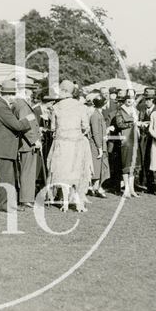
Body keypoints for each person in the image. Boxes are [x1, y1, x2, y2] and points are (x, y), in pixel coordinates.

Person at [0, 80, 35, 212]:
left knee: (8, 178)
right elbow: (17, 125)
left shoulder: (0, 106)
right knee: (6, 178)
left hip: (4, 148)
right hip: (2, 149)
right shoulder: (2, 107)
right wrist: (29, 119)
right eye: (14, 94)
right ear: (8, 95)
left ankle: (9, 204)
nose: (15, 98)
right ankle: (3, 205)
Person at [47, 80, 92, 212]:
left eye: (60, 90)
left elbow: (53, 128)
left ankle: (65, 203)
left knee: (62, 172)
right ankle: (78, 203)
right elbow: (85, 126)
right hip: (77, 144)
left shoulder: (56, 107)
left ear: (65, 91)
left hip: (61, 144)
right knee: (77, 172)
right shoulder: (81, 106)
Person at [14, 86, 42, 208]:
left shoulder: (20, 104)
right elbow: (26, 125)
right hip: (27, 144)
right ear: (24, 92)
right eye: (30, 91)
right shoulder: (23, 106)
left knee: (26, 170)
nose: (31, 95)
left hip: (25, 142)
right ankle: (26, 198)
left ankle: (26, 197)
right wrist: (35, 140)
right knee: (27, 171)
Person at [114, 89, 144, 197]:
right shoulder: (120, 111)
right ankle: (126, 188)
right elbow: (120, 125)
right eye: (127, 99)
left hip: (135, 139)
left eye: (131, 99)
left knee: (133, 165)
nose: (129, 101)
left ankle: (131, 189)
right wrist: (133, 123)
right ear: (124, 100)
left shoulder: (136, 111)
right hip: (126, 140)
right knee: (126, 164)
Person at [89, 96, 110, 198]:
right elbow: (95, 133)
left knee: (99, 166)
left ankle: (95, 187)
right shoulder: (95, 115)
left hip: (100, 143)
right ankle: (95, 187)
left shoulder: (98, 114)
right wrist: (99, 148)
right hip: (96, 145)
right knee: (96, 166)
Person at [138, 88, 156, 192]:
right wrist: (141, 124)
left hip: (154, 138)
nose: (148, 102)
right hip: (144, 138)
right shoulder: (142, 109)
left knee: (154, 160)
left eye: (150, 99)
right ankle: (145, 182)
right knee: (144, 160)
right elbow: (139, 120)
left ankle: (154, 183)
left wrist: (149, 124)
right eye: (146, 99)